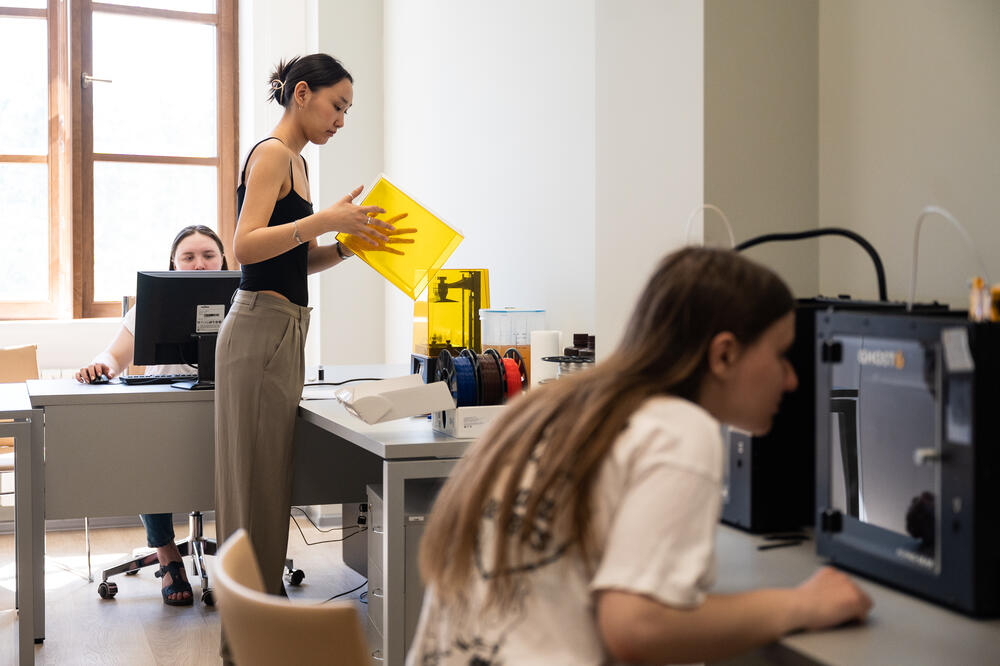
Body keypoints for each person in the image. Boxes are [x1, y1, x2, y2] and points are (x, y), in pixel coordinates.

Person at [409, 247, 873, 665]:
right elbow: (638, 628)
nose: (791, 379)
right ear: (724, 356)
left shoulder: (546, 407)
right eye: (781, 355)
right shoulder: (679, 429)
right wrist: (802, 604)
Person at [214, 52, 413, 611]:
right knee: (252, 489)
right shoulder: (273, 154)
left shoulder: (298, 163)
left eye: (347, 111)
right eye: (336, 106)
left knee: (269, 485)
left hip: (283, 328)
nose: (341, 120)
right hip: (258, 329)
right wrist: (322, 220)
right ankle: (250, 629)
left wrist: (347, 246)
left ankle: (263, 617)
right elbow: (244, 246)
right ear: (301, 93)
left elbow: (293, 260)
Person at [75, 224, 228, 606]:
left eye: (208, 255)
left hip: (226, 408)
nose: (199, 264)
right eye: (188, 257)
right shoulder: (150, 306)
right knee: (144, 447)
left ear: (224, 260)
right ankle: (167, 554)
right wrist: (100, 366)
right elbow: (114, 355)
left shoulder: (245, 303)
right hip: (165, 414)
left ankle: (242, 557)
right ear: (173, 265)